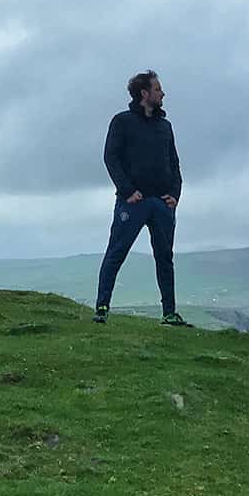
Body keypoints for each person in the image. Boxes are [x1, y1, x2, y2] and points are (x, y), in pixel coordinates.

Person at [92, 70, 189, 326]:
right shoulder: (122, 122)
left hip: (162, 204)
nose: (162, 93)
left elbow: (175, 164)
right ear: (144, 93)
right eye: (158, 89)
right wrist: (126, 190)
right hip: (132, 202)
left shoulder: (165, 127)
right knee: (117, 252)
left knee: (165, 257)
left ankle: (169, 313)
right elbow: (110, 157)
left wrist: (175, 195)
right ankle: (102, 307)